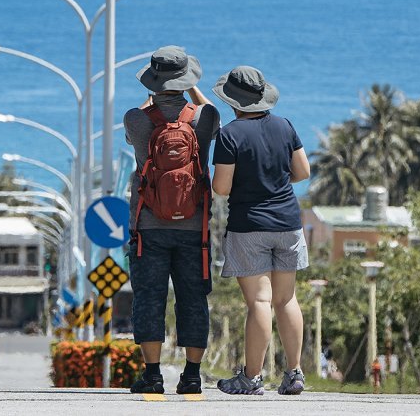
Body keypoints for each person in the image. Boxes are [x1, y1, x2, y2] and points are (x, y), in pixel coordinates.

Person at [124, 47, 219, 395]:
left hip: (149, 226)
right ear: (186, 80)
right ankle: (191, 375)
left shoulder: (135, 119)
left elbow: (140, 138)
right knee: (193, 297)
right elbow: (211, 110)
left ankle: (152, 374)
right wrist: (193, 91)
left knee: (149, 296)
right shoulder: (203, 119)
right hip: (196, 228)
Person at [211, 65, 311, 396]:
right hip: (288, 222)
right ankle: (294, 373)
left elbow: (221, 187)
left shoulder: (230, 134)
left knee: (259, 301)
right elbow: (303, 172)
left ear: (232, 101)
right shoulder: (285, 126)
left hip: (249, 225)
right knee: (286, 299)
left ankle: (251, 378)